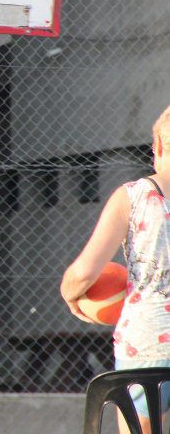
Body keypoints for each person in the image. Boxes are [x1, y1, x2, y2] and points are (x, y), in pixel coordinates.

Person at [61, 104, 170, 434]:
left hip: (149, 345)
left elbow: (84, 273)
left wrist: (70, 294)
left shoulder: (133, 197)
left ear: (159, 146)